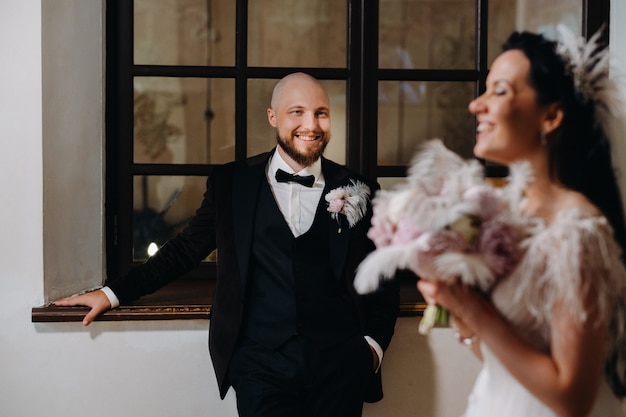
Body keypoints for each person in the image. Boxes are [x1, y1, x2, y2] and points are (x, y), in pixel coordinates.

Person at [55, 72, 400, 417]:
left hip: (340, 367)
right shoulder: (232, 183)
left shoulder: (359, 188)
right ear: (272, 116)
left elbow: (385, 274)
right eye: (297, 111)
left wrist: (371, 348)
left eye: (320, 112)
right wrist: (112, 294)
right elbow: (184, 250)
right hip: (260, 366)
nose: (311, 124)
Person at [416, 27, 626, 417]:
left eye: (499, 91)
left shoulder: (576, 230)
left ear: (552, 115)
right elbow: (504, 360)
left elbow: (572, 398)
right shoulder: (508, 217)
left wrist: (476, 311)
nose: (476, 105)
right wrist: (462, 317)